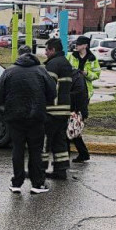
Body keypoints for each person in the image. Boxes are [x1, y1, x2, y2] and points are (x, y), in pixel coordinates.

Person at [0, 45, 56, 194]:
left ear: (19, 55)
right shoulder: (41, 71)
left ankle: (16, 183)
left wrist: (8, 103)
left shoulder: (9, 71)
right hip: (36, 117)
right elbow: (52, 92)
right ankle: (37, 184)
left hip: (14, 117)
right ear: (32, 55)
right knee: (35, 150)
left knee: (18, 149)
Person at [41, 38, 74, 180]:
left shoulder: (53, 64)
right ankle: (61, 170)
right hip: (64, 109)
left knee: (44, 141)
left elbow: (48, 87)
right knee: (59, 141)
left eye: (47, 50)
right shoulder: (66, 63)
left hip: (52, 110)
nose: (45, 52)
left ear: (53, 50)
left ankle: (39, 170)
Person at [68, 35, 100, 162]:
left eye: (79, 44)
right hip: (72, 90)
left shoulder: (92, 59)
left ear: (85, 45)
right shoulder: (71, 56)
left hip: (84, 93)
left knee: (75, 121)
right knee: (73, 121)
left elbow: (97, 74)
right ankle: (80, 152)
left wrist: (87, 74)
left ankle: (81, 152)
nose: (76, 45)